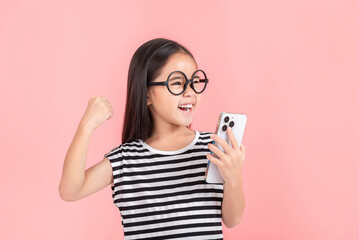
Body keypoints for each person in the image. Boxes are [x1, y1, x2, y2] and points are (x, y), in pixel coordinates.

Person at [59, 38, 246, 239]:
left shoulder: (212, 149)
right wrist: (86, 127)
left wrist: (233, 178)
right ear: (147, 95)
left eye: (194, 82)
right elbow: (71, 190)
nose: (190, 92)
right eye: (177, 83)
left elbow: (232, 219)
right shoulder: (125, 160)